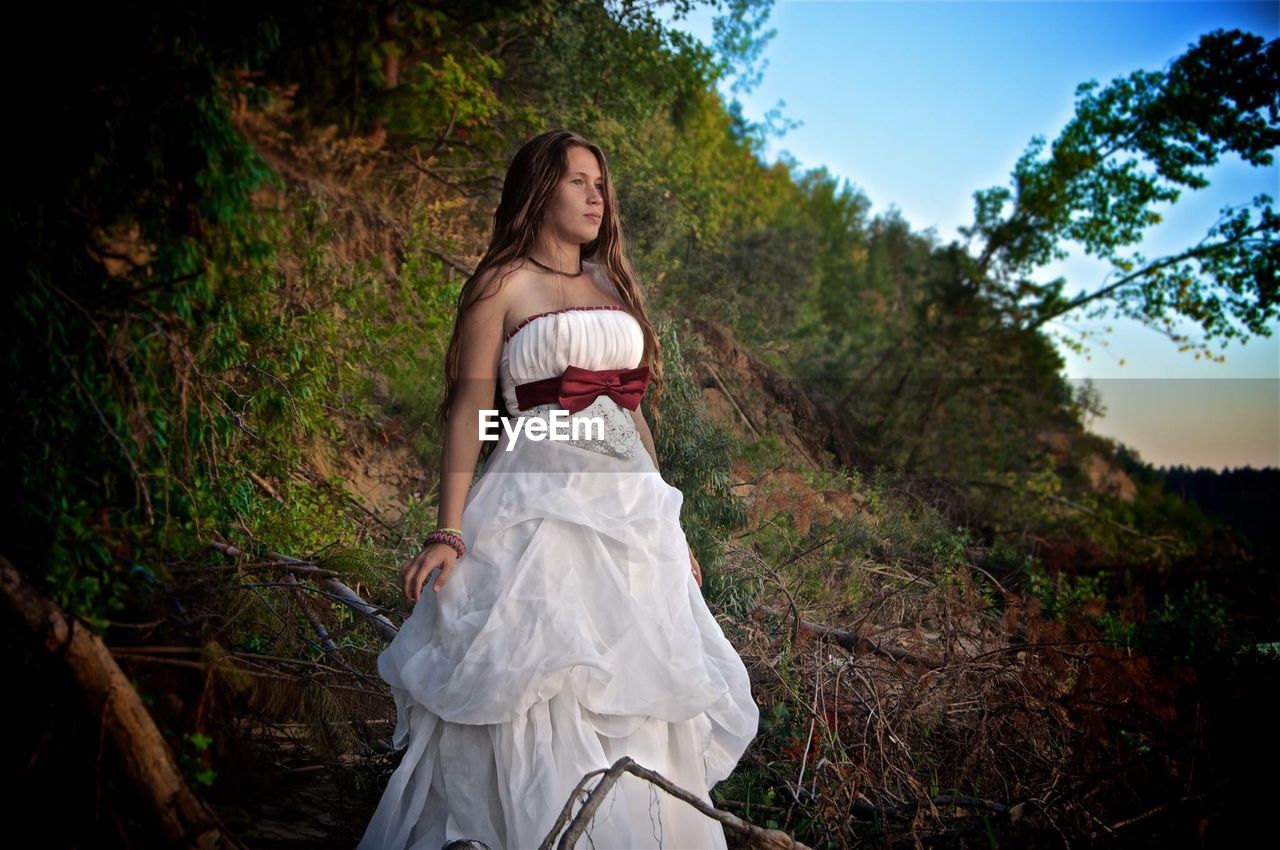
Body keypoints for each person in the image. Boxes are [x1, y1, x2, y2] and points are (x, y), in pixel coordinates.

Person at [356, 129, 759, 850]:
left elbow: (629, 415)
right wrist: (448, 530)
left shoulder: (613, 286)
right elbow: (470, 409)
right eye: (578, 180)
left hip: (627, 510)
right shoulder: (501, 284)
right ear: (539, 191)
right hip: (535, 496)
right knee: (536, 675)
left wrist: (671, 531)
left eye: (600, 182)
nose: (596, 195)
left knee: (636, 687)